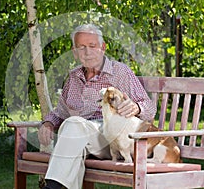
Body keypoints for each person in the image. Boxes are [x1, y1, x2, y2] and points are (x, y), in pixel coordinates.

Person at [38, 24, 156, 189]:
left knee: (73, 125)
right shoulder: (73, 77)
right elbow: (60, 112)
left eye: (92, 46)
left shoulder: (120, 72)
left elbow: (149, 108)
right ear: (75, 52)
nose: (87, 52)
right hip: (79, 138)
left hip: (112, 140)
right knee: (73, 130)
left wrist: (136, 107)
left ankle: (52, 187)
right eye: (82, 47)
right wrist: (49, 123)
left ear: (103, 48)